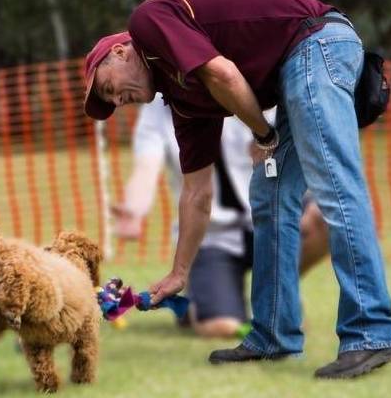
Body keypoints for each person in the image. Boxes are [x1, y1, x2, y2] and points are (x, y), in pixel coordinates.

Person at [83, 0, 391, 379]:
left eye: (109, 87)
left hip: (317, 42)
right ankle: (273, 336)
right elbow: (197, 193)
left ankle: (373, 333)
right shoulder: (183, 98)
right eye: (110, 101)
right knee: (268, 195)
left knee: (334, 185)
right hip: (298, 64)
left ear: (120, 52)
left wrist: (264, 135)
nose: (116, 101)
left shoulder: (147, 21)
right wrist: (179, 272)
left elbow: (224, 73)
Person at [112, 96, 329, 338]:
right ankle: (200, 303)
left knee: (325, 216)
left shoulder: (242, 85)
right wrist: (133, 210)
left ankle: (277, 291)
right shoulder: (156, 112)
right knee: (219, 326)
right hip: (214, 237)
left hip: (269, 220)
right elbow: (146, 168)